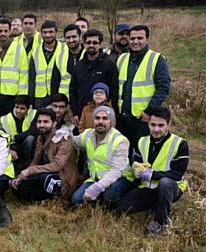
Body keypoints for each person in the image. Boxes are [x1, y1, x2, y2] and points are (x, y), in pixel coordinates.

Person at [115, 106, 189, 236]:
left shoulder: (180, 143)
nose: (156, 129)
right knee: (122, 208)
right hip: (148, 188)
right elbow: (136, 163)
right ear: (148, 123)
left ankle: (160, 222)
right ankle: (156, 206)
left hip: (171, 188)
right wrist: (135, 170)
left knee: (165, 183)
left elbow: (178, 174)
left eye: (161, 125)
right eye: (153, 125)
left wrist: (152, 174)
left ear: (168, 125)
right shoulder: (142, 141)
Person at [116, 24, 171, 148]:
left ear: (147, 39)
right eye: (133, 38)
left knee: (141, 156)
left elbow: (163, 88)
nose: (136, 42)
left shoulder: (157, 59)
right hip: (122, 119)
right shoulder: (122, 58)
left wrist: (149, 111)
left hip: (142, 119)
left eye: (140, 38)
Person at [69, 106, 133, 207]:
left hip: (120, 178)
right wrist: (66, 134)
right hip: (96, 178)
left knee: (110, 195)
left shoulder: (120, 141)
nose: (100, 122)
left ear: (111, 122)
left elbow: (116, 171)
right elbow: (75, 142)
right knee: (76, 199)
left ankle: (115, 202)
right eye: (97, 118)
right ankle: (97, 200)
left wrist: (98, 187)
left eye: (105, 118)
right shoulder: (88, 134)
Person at [11, 109, 78, 201]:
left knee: (47, 179)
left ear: (54, 124)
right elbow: (36, 160)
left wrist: (30, 171)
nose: (42, 125)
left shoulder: (64, 139)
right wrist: (23, 175)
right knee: (17, 186)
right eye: (39, 122)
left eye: (46, 122)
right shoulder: (40, 138)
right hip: (44, 172)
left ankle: (55, 199)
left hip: (62, 177)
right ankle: (42, 199)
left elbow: (57, 165)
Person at [70, 29, 119, 122]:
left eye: (95, 42)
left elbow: (114, 90)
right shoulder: (79, 65)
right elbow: (73, 90)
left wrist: (113, 111)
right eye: (88, 42)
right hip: (83, 113)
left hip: (103, 115)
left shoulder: (108, 64)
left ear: (100, 44)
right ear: (83, 44)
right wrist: (75, 113)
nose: (91, 45)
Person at [29, 20, 69, 108]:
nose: (48, 35)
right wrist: (31, 99)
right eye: (45, 32)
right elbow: (31, 78)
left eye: (51, 32)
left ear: (56, 33)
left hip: (58, 94)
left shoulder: (65, 49)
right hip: (39, 97)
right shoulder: (35, 52)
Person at [0, 94, 37, 174]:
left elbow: (33, 131)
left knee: (30, 139)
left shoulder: (34, 114)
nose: (18, 111)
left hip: (28, 146)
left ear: (29, 108)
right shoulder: (4, 119)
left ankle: (27, 167)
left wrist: (15, 137)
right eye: (16, 107)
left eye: (22, 108)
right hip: (11, 147)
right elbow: (1, 138)